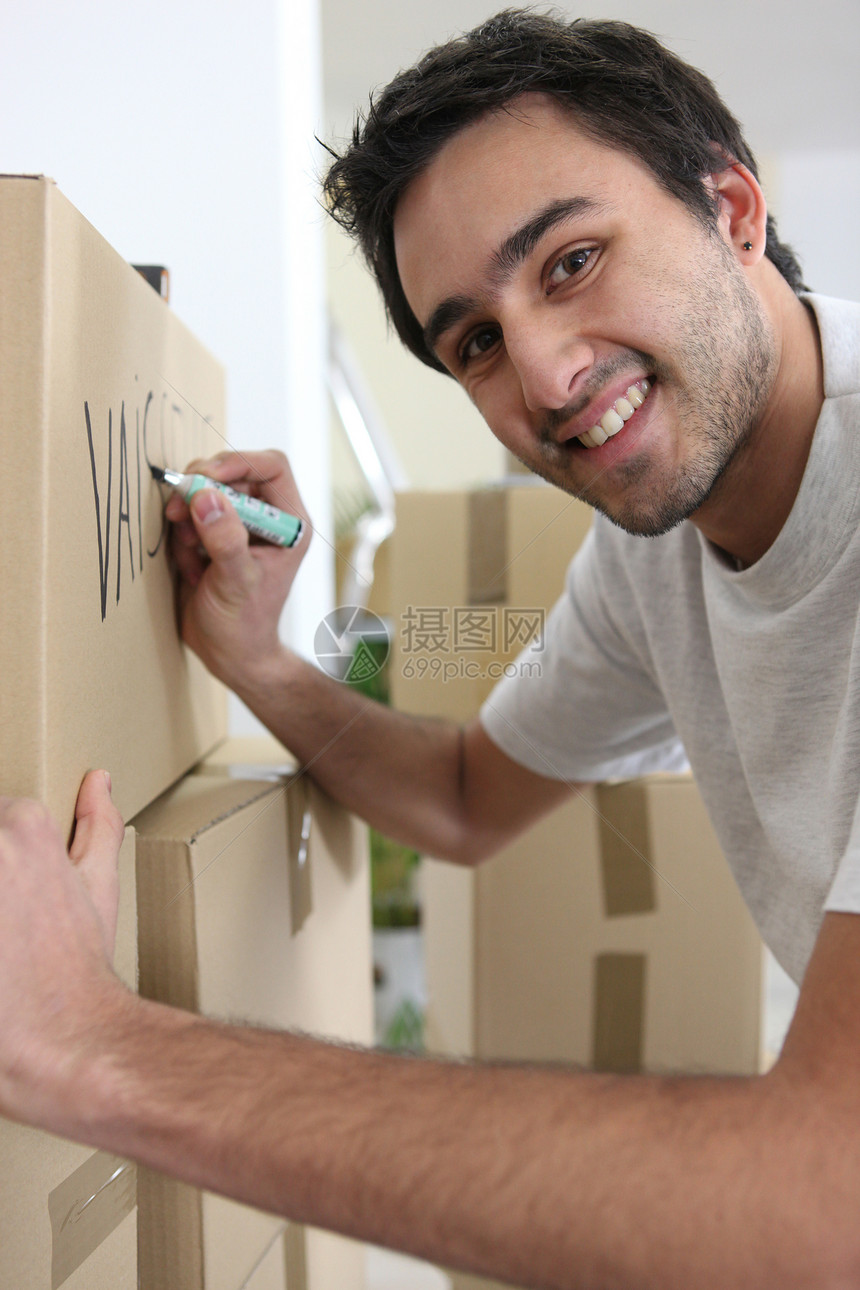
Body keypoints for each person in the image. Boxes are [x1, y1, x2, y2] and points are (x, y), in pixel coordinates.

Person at [2, 10, 860, 1286]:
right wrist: (254, 655)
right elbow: (464, 799)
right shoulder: (651, 554)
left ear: (730, 209)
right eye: (474, 341)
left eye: (570, 260)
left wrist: (87, 1044)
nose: (548, 375)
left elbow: (825, 1193)